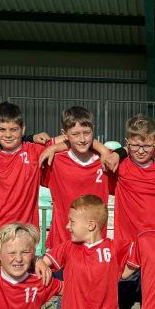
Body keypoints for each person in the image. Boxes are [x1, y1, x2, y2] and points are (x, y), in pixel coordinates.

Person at [104, 114, 155, 309]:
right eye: (135, 145)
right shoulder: (119, 166)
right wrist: (119, 153)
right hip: (126, 250)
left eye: (147, 146)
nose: (140, 151)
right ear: (127, 143)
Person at [0, 102, 51, 261]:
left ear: (23, 129)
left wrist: (37, 140)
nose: (8, 135)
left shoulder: (35, 151)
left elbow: (71, 139)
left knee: (20, 277)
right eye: (2, 129)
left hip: (23, 233)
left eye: (14, 129)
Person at [39, 106, 115, 254]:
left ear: (93, 131)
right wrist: (54, 147)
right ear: (65, 134)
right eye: (75, 134)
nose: (82, 139)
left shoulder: (108, 160)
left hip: (94, 247)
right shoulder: (54, 160)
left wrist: (103, 150)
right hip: (61, 245)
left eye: (87, 133)